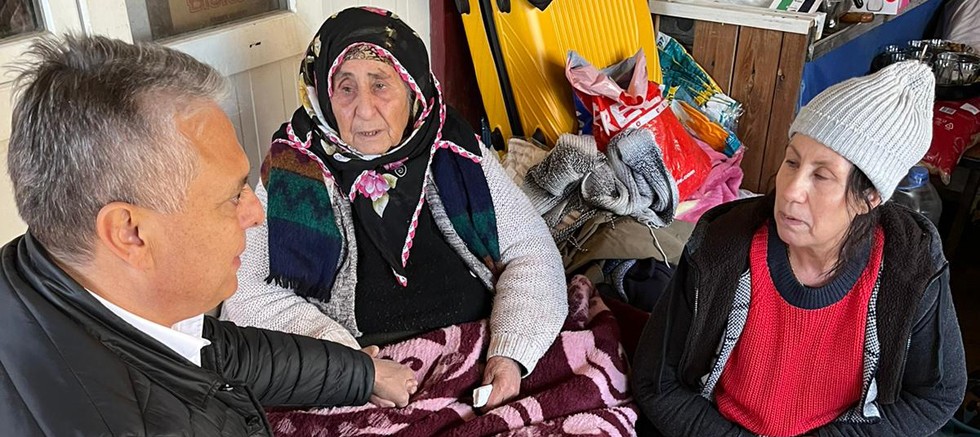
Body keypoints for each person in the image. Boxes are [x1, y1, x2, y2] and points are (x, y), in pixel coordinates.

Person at [0, 35, 418, 436]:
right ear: (130, 233)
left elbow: (212, 351)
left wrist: (361, 373)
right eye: (232, 196)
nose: (256, 214)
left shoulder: (40, 275)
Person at [220, 7, 567, 410]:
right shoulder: (293, 164)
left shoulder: (453, 147)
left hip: (479, 352)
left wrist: (511, 353)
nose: (364, 110)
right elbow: (246, 292)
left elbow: (531, 251)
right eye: (345, 88)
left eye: (380, 85)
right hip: (360, 379)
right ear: (322, 95)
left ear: (413, 88)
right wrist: (350, 368)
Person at [632, 61, 967, 436]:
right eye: (792, 162)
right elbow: (656, 380)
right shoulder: (722, 244)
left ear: (869, 197)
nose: (791, 190)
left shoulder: (909, 267)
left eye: (821, 175)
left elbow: (936, 396)